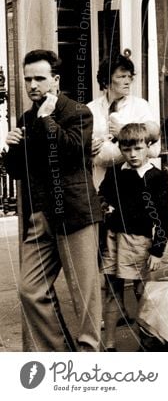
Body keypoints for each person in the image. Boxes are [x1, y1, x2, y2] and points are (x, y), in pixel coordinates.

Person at [3, 49, 104, 351]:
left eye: (39, 78)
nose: (32, 85)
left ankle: (89, 357)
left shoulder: (77, 112)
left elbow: (74, 151)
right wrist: (11, 149)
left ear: (55, 80)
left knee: (84, 295)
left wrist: (47, 121)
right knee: (30, 289)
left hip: (75, 213)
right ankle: (58, 354)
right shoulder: (26, 118)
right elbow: (20, 172)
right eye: (27, 79)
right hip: (40, 217)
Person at [98, 123, 168, 352]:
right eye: (127, 150)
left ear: (148, 146)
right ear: (120, 149)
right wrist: (104, 206)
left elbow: (163, 217)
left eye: (138, 149)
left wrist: (158, 250)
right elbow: (102, 195)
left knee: (142, 292)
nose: (133, 155)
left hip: (139, 241)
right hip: (112, 238)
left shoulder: (156, 177)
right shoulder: (115, 172)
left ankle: (148, 342)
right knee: (111, 290)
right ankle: (108, 345)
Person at [88, 55, 160, 189]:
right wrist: (87, 149)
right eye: (121, 77)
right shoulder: (91, 109)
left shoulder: (141, 106)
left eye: (129, 76)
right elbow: (86, 151)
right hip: (101, 182)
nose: (127, 81)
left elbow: (155, 149)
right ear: (106, 80)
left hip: (135, 183)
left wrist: (123, 132)